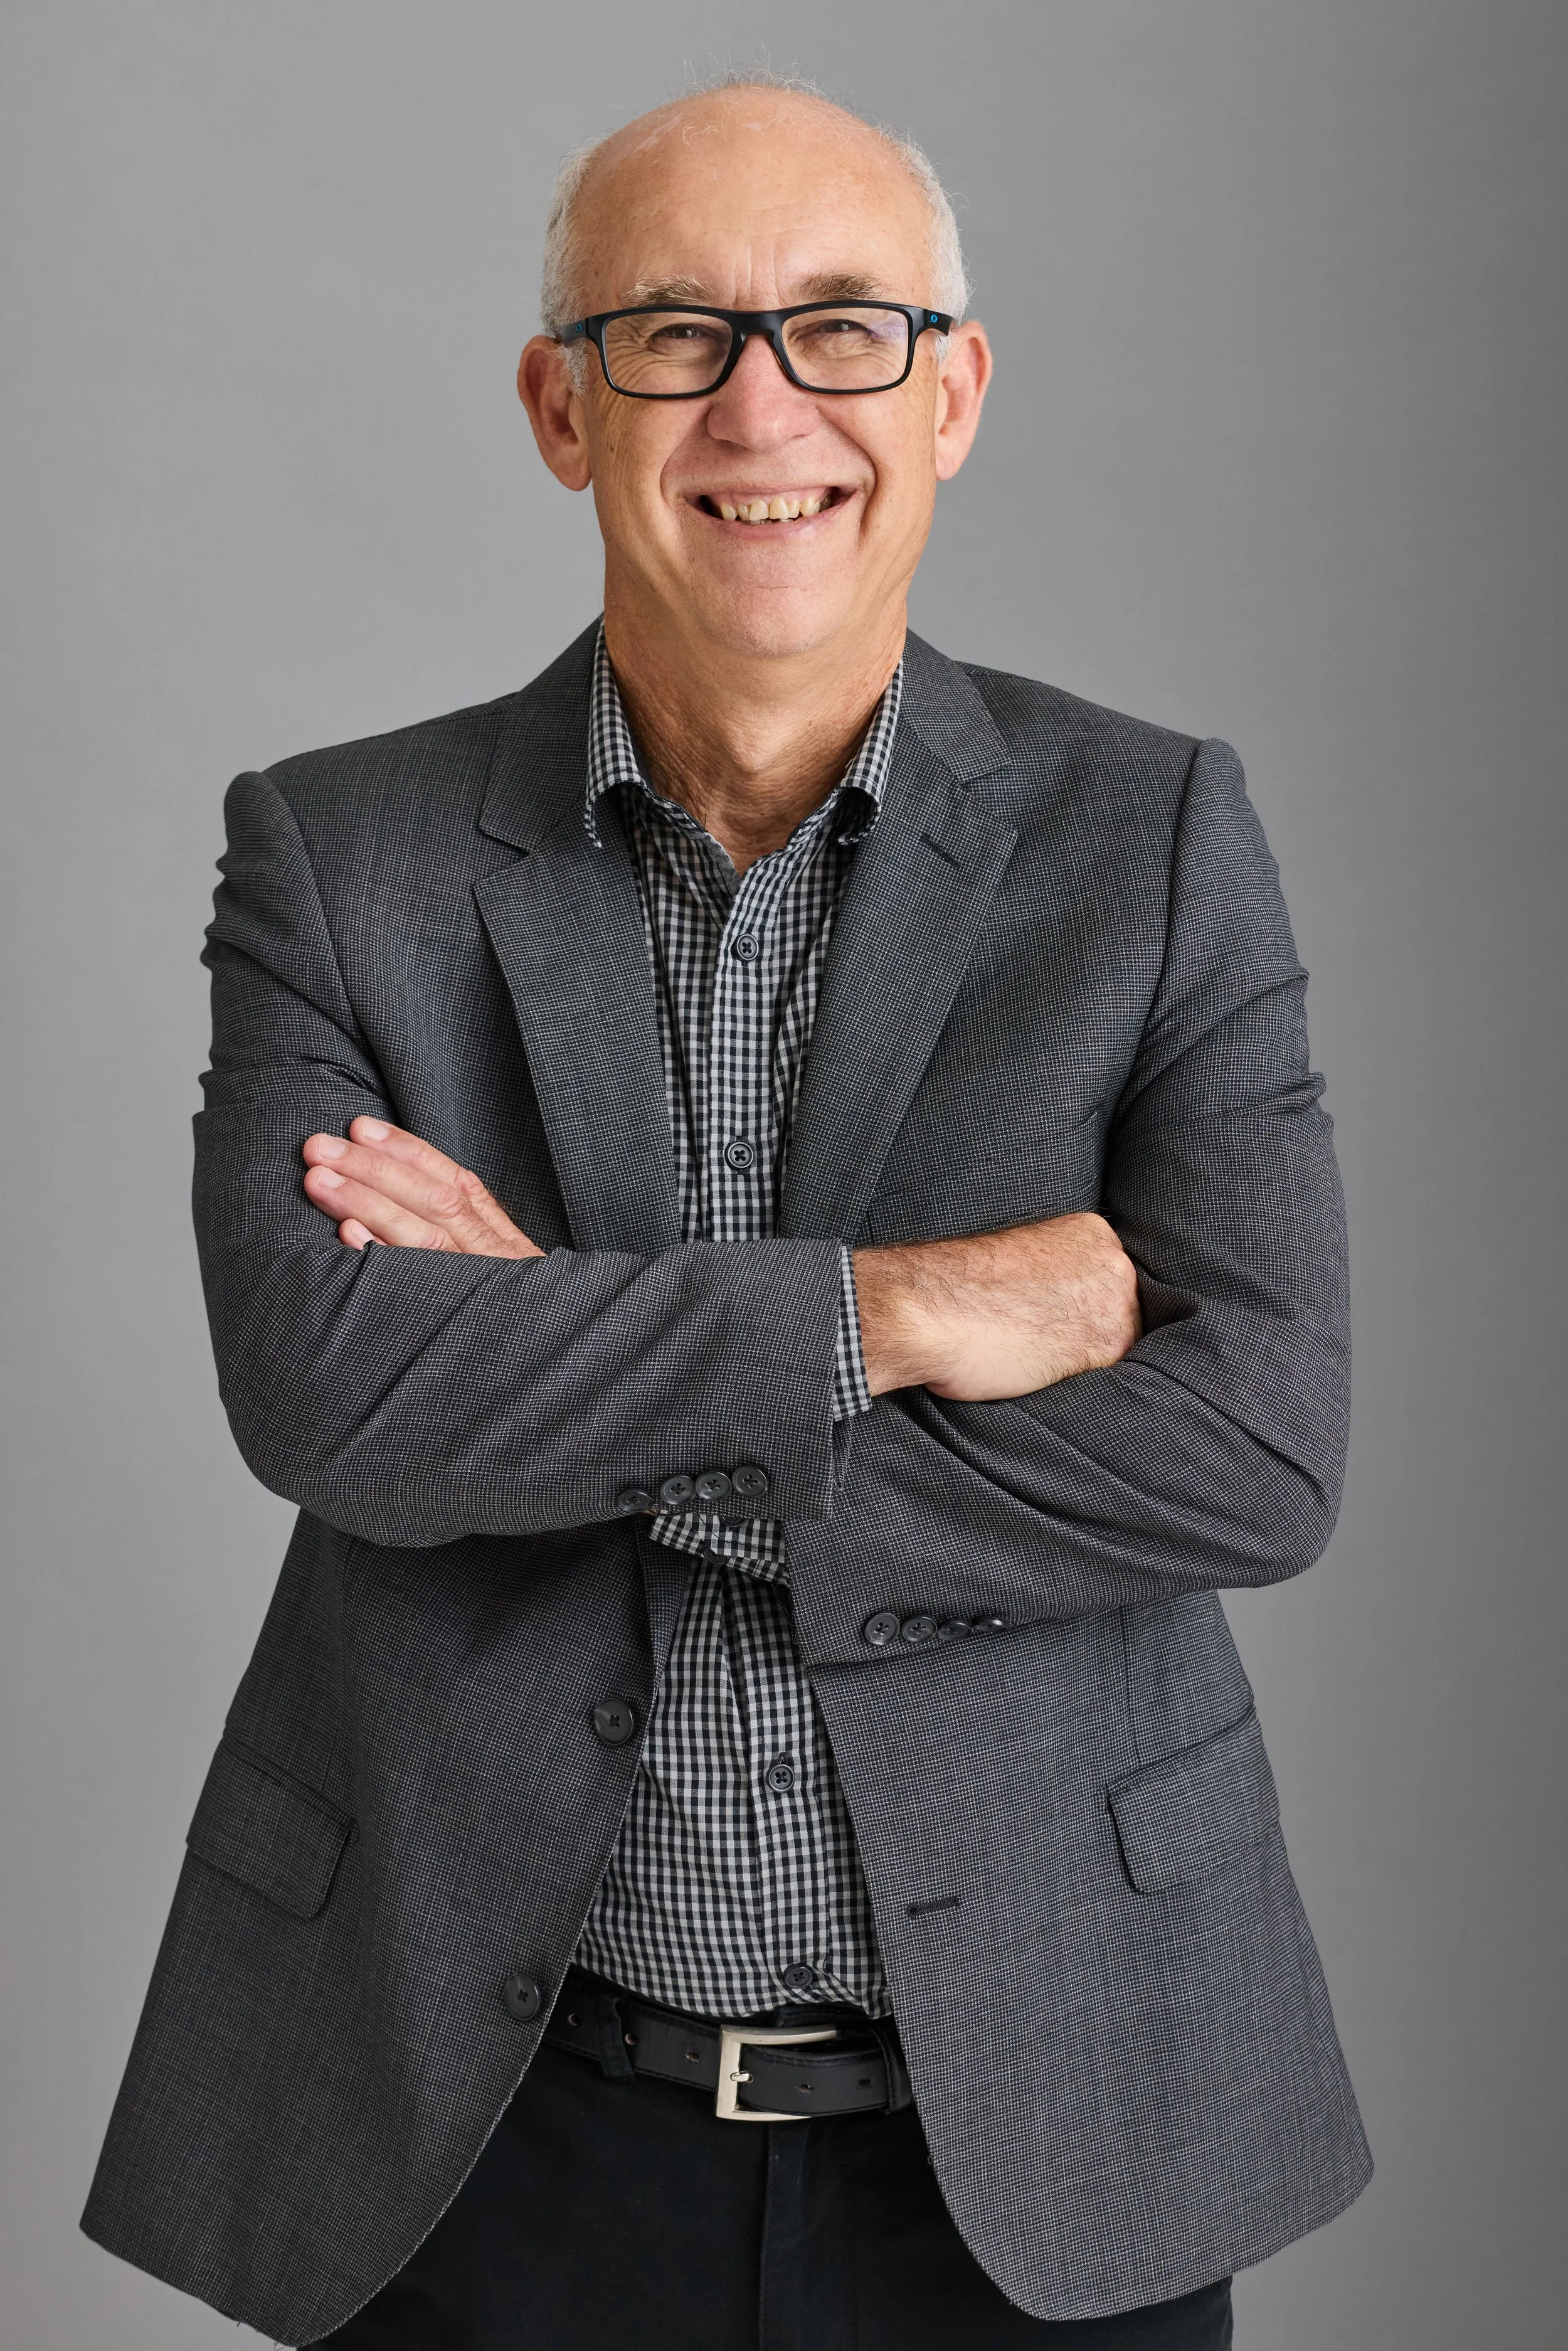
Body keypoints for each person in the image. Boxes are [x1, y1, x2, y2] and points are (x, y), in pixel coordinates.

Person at [82, 73, 1370, 2350]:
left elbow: (1256, 1453)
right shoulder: (337, 861)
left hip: (1042, 2120)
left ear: (952, 392)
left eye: (845, 326)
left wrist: (556, 1354)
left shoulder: (1154, 843)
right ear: (558, 407)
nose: (765, 401)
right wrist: (897, 1315)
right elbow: (326, 1396)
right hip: (479, 2129)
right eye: (672, 329)